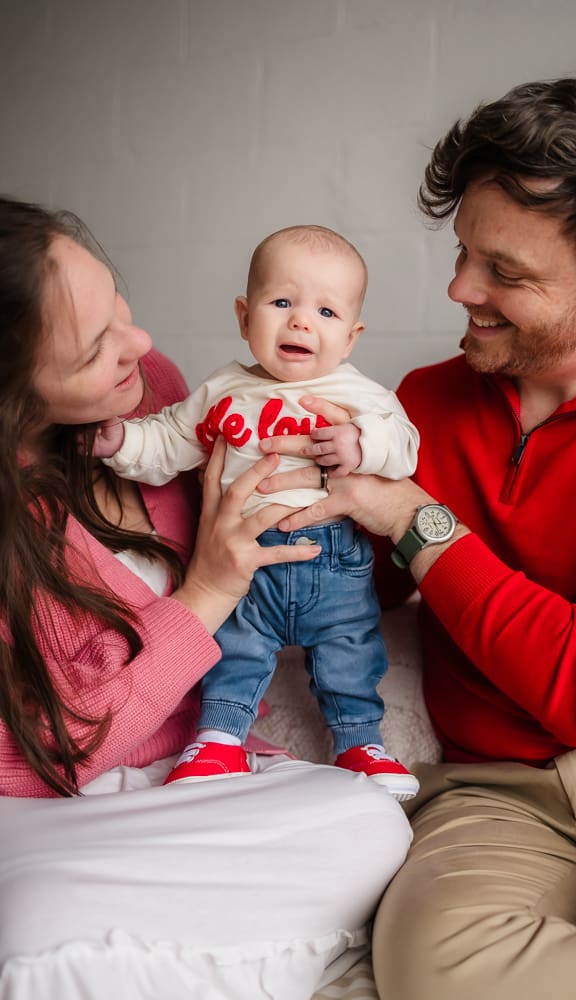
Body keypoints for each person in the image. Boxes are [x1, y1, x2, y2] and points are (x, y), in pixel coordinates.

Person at [256, 73, 576, 999]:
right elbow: (365, 595)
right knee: (434, 968)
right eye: (463, 253)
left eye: (505, 274)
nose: (458, 289)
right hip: (493, 795)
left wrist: (408, 515)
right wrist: (285, 483)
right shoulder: (417, 407)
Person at [0, 197, 412, 1000]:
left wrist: (366, 478)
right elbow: (51, 749)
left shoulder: (150, 386)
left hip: (193, 777)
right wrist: (208, 592)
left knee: (366, 819)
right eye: (95, 347)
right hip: (53, 800)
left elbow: (380, 453)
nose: (141, 344)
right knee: (41, 929)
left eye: (120, 307)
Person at [94, 224, 420, 798]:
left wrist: (362, 444)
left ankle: (360, 742)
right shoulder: (223, 392)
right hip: (245, 559)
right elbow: (169, 439)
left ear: (351, 336)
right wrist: (121, 444)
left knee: (350, 648)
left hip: (332, 558)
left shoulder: (358, 395)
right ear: (245, 318)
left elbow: (405, 443)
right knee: (233, 648)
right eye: (282, 302)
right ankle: (220, 738)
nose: (300, 321)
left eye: (325, 311)